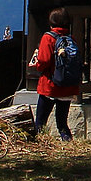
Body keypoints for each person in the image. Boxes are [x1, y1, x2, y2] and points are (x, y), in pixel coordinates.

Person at [29, 7, 79, 140]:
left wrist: (37, 64)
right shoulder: (70, 38)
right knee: (62, 123)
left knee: (40, 122)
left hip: (50, 86)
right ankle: (68, 141)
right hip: (67, 87)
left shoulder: (48, 38)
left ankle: (40, 144)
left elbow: (44, 61)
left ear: (51, 22)